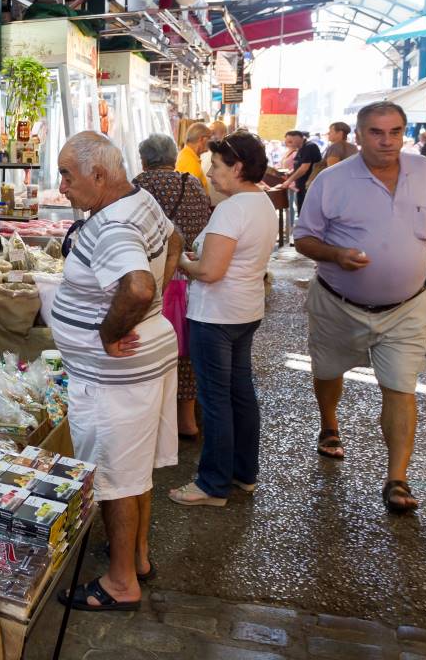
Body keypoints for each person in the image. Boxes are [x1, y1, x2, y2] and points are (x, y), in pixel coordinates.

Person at [293, 102, 426, 514]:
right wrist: (337, 254)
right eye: (377, 132)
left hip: (407, 307)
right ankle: (329, 424)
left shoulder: (423, 172)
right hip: (339, 304)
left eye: (395, 132)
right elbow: (304, 239)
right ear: (358, 136)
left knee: (401, 388)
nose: (387, 141)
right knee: (327, 371)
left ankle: (397, 478)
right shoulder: (332, 180)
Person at [51, 132, 181, 612]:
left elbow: (139, 286)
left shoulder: (112, 226)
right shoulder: (138, 198)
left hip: (116, 378)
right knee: (134, 471)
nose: (61, 185)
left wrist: (110, 332)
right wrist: (148, 313)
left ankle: (121, 582)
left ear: (99, 176)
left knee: (114, 478)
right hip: (140, 367)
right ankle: (138, 556)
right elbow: (174, 238)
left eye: (67, 175)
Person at [168, 131, 277, 506]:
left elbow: (211, 271)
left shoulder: (233, 209)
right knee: (240, 393)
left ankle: (213, 484)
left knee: (216, 399)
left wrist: (180, 258)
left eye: (215, 165)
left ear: (238, 167)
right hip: (244, 310)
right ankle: (243, 473)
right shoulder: (262, 203)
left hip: (216, 315)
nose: (210, 173)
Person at [134, 134, 212, 439]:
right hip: (189, 276)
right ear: (172, 157)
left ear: (144, 159)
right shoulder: (191, 183)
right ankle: (187, 419)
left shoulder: (140, 186)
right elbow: (203, 224)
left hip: (154, 278)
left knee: (151, 346)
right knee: (186, 351)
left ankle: (154, 420)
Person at [278, 130, 321, 213]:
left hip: (309, 186)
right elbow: (299, 165)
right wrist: (291, 172)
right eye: (286, 142)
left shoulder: (309, 147)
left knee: (307, 212)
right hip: (301, 186)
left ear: (298, 139)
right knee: (301, 210)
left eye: (290, 142)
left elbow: (304, 168)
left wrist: (289, 181)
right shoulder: (300, 148)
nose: (288, 144)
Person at [175, 122, 211, 191]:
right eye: (209, 137)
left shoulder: (186, 155)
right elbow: (190, 194)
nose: (210, 141)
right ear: (201, 139)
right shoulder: (190, 163)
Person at [203, 121, 229, 206]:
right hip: (207, 200)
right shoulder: (203, 152)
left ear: (224, 134)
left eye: (214, 133)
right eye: (209, 134)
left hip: (222, 201)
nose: (211, 136)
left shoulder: (229, 156)